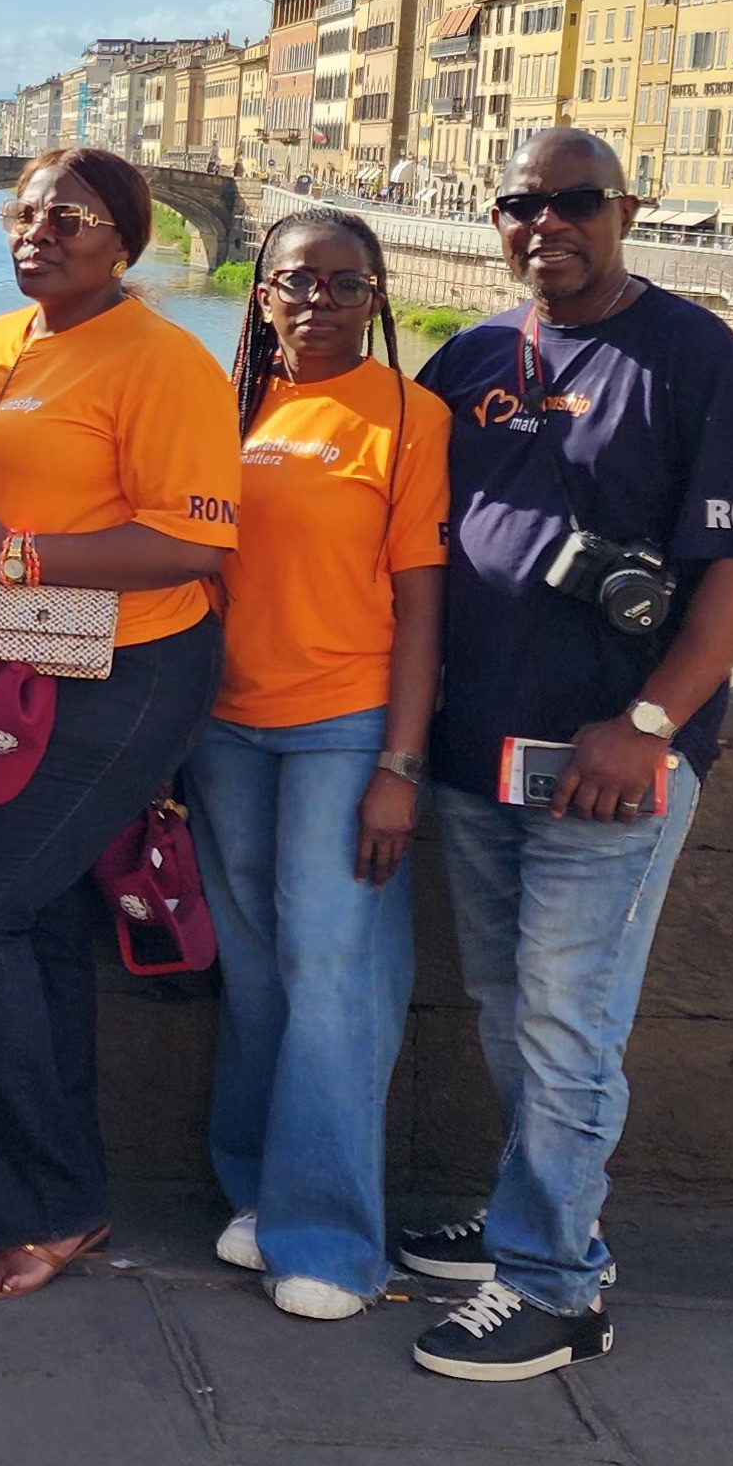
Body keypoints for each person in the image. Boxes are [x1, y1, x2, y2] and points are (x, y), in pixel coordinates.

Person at [402, 130, 733, 1381]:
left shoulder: (695, 359)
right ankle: (533, 1207)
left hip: (613, 762)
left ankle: (555, 1285)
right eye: (520, 204)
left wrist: (649, 725)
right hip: (480, 753)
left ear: (623, 209)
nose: (545, 223)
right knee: (508, 1010)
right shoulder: (470, 357)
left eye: (573, 201)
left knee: (569, 1022)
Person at [0, 149, 240, 1300]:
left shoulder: (164, 361)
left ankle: (40, 1204)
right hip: (11, 658)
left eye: (72, 217)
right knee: (32, 923)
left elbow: (192, 542)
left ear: (126, 241)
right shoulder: (0, 343)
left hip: (126, 664)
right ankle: (49, 1197)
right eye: (27, 211)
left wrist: (11, 556)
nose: (39, 231)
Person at [185, 209, 446, 1319]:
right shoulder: (226, 403)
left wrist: (400, 759)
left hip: (344, 724)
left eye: (347, 287)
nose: (319, 304)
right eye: (297, 282)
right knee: (252, 975)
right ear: (260, 292)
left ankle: (333, 1242)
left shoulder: (407, 415)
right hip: (223, 727)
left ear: (378, 298)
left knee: (337, 979)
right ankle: (257, 1193)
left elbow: (425, 600)